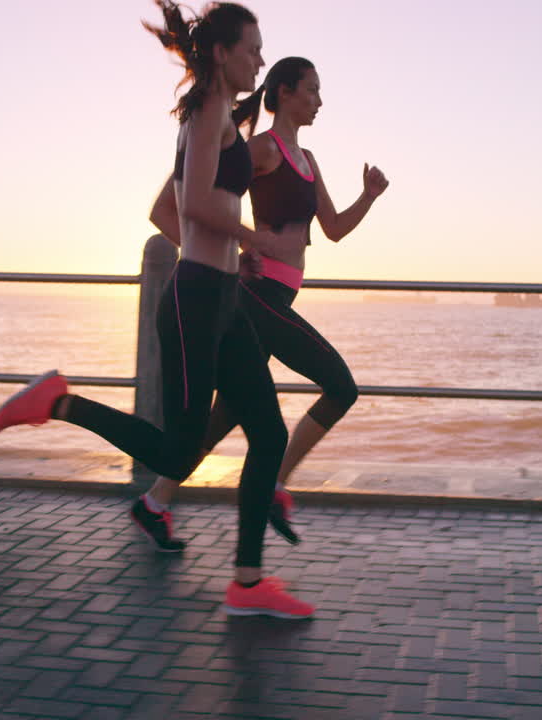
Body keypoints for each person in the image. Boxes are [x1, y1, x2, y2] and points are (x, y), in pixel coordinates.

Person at [0, 0, 313, 619]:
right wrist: (250, 240)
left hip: (223, 299)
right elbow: (191, 205)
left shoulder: (218, 117)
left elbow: (167, 214)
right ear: (222, 53)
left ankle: (248, 584)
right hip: (194, 303)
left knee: (267, 434)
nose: (260, 61)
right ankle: (57, 402)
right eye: (252, 49)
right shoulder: (207, 113)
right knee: (173, 454)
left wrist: (225, 252)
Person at [149, 56, 389, 544]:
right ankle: (275, 486)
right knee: (341, 386)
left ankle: (155, 502)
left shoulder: (308, 159)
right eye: (312, 90)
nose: (319, 101)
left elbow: (335, 230)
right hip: (255, 297)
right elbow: (168, 208)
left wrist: (369, 196)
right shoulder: (259, 149)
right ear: (282, 92)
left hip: (280, 297)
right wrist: (224, 254)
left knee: (228, 413)